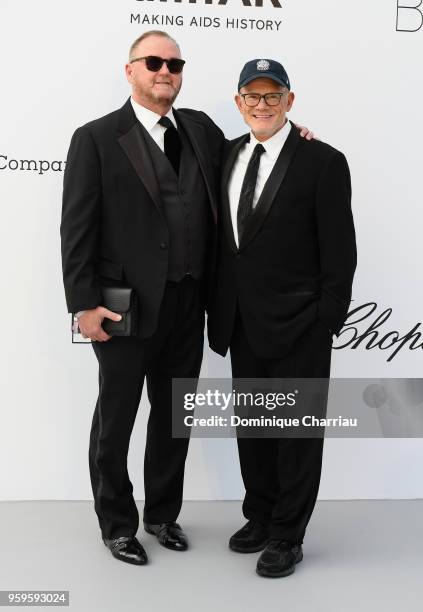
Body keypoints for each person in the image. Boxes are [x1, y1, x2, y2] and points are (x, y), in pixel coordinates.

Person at [61, 31, 314, 566]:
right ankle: (117, 523)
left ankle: (161, 515)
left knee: (174, 416)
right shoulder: (96, 138)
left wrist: (293, 137)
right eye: (153, 62)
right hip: (122, 307)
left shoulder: (199, 128)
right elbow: (76, 228)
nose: (165, 71)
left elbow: (255, 157)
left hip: (189, 302)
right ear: (129, 70)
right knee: (117, 418)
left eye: (175, 64)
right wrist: (82, 305)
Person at [208, 59, 357, 578]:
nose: (262, 106)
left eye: (273, 97)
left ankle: (288, 535)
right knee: (253, 427)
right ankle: (261, 516)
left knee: (295, 433)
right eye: (252, 96)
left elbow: (341, 251)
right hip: (241, 321)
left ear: (290, 102)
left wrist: (326, 321)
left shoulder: (323, 161)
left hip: (301, 326)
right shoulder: (223, 154)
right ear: (238, 102)